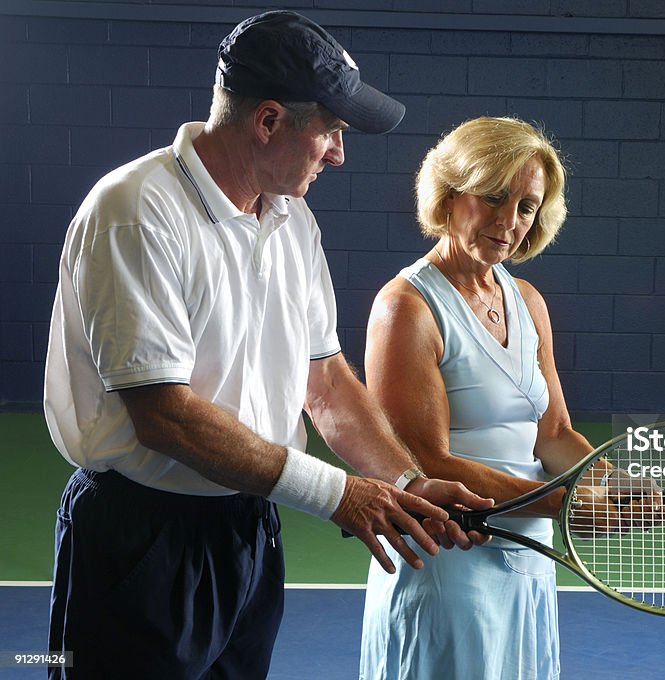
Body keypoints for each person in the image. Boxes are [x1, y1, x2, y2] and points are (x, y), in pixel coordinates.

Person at [43, 11, 490, 679]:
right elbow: (165, 415)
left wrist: (407, 484)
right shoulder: (135, 210)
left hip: (249, 530)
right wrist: (341, 495)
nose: (338, 152)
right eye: (331, 131)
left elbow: (327, 382)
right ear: (269, 121)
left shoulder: (292, 218)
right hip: (139, 539)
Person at [358, 117, 665, 680]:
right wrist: (568, 504)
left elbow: (552, 435)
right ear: (452, 194)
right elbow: (425, 463)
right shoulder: (406, 307)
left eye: (526, 206)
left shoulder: (526, 299)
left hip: (528, 558)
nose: (509, 222)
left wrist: (605, 478)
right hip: (447, 564)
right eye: (494, 197)